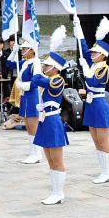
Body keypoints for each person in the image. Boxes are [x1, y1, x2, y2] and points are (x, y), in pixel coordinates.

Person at [74, 17, 109, 184]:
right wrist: (79, 31)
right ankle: (102, 170)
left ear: (103, 55)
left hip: (98, 103)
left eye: (95, 53)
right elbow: (84, 49)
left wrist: (84, 68)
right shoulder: (93, 64)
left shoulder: (104, 68)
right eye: (92, 53)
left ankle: (107, 172)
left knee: (102, 139)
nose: (91, 54)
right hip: (90, 104)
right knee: (95, 139)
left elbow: (92, 82)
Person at [33, 43, 69, 205]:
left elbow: (37, 80)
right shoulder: (49, 78)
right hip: (45, 119)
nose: (44, 67)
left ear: (55, 68)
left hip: (53, 121)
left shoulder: (57, 80)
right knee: (49, 158)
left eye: (47, 65)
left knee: (57, 159)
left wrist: (36, 69)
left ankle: (59, 192)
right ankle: (54, 191)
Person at [7, 39, 43, 164]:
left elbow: (36, 81)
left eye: (24, 49)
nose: (23, 51)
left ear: (32, 50)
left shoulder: (36, 63)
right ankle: (33, 153)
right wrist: (13, 51)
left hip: (32, 96)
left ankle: (37, 154)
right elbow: (9, 64)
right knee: (28, 125)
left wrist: (22, 85)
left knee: (33, 126)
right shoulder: (25, 62)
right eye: (22, 49)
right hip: (25, 96)